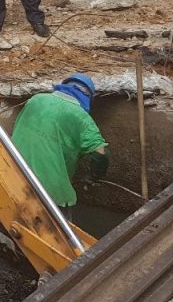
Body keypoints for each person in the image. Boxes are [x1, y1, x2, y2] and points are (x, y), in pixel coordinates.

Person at [11, 73, 109, 219]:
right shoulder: (81, 117)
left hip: (12, 175)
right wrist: (94, 176)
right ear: (88, 97)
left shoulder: (35, 100)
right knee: (62, 236)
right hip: (50, 192)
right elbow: (101, 153)